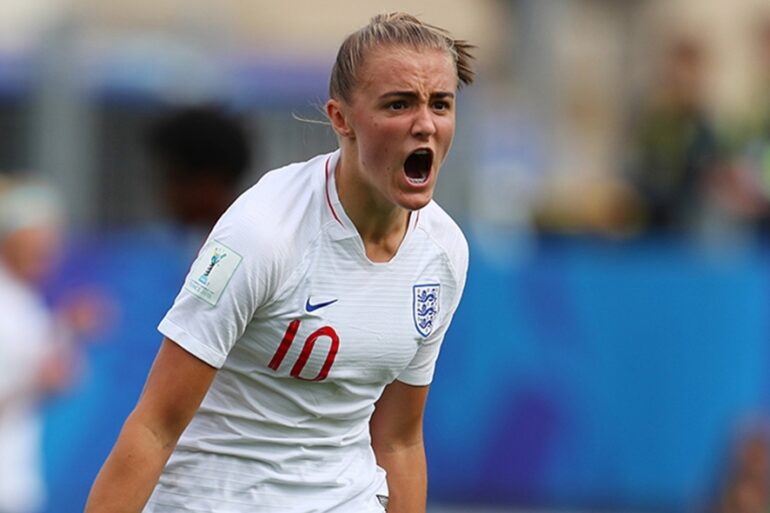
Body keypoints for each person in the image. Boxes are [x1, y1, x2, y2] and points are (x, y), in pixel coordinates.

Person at [85, 12, 474, 513]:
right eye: (397, 104)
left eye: (440, 104)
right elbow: (155, 425)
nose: (424, 124)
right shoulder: (262, 233)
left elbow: (399, 440)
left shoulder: (443, 252)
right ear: (341, 119)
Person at [0, 177, 79, 513]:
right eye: (37, 237)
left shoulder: (29, 305)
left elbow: (59, 379)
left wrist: (68, 333)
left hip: (15, 484)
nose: (47, 248)